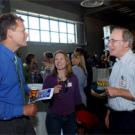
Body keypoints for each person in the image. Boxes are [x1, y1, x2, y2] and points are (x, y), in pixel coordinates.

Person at [0, 13, 37, 134]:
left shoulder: (17, 59)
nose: (27, 34)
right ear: (10, 32)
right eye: (23, 31)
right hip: (6, 124)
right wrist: (21, 110)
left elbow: (20, 84)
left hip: (22, 118)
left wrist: (32, 93)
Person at [43, 50, 82, 135]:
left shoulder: (73, 78)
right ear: (54, 62)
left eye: (61, 59)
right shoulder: (49, 78)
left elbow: (77, 98)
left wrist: (78, 115)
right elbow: (43, 99)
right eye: (56, 59)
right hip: (54, 117)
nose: (59, 61)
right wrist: (52, 91)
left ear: (66, 61)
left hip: (70, 117)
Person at [105, 26, 135, 133]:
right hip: (115, 115)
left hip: (129, 119)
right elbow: (112, 92)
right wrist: (109, 112)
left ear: (126, 43)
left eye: (113, 41)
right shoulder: (117, 63)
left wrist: (118, 92)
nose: (109, 44)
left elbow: (115, 91)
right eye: (109, 41)